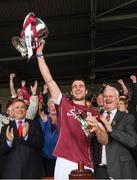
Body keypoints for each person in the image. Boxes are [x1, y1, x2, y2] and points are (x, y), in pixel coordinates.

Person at [36, 40, 108, 180]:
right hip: (63, 160)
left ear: (86, 91)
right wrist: (39, 54)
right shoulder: (64, 104)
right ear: (71, 90)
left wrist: (98, 129)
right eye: (75, 86)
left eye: (81, 86)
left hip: (85, 161)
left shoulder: (94, 113)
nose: (78, 88)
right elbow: (49, 80)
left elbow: (104, 140)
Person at [95, 86, 137, 179]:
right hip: (99, 169)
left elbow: (133, 141)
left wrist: (112, 129)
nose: (108, 99)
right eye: (105, 96)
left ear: (118, 100)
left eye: (111, 96)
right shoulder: (97, 117)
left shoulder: (127, 118)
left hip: (121, 170)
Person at [0, 99, 44, 179]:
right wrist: (9, 141)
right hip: (11, 172)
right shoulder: (5, 128)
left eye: (22, 107)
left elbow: (40, 144)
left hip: (32, 172)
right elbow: (1, 150)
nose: (20, 110)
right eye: (17, 107)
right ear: (12, 111)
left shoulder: (35, 124)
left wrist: (26, 137)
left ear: (26, 110)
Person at [39, 97, 58, 177]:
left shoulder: (62, 118)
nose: (53, 106)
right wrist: (43, 123)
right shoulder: (43, 117)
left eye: (54, 103)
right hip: (45, 156)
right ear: (47, 105)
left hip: (59, 157)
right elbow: (39, 136)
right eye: (50, 103)